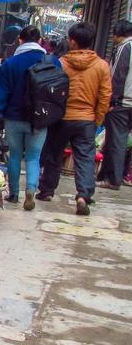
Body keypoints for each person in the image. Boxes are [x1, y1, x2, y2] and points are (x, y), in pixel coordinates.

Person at [37, 22, 113, 216]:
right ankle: (83, 195)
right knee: (85, 158)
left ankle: (46, 191)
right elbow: (105, 96)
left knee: (53, 154)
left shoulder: (60, 63)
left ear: (72, 41)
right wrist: (97, 119)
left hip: (61, 118)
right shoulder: (102, 66)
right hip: (86, 119)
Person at [0, 25, 52, 209]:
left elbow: (0, 94)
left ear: (20, 40)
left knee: (14, 155)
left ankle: (13, 194)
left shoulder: (10, 63)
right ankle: (31, 189)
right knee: (33, 157)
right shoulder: (51, 62)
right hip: (40, 119)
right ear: (40, 41)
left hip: (13, 118)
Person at [97, 20, 132, 189]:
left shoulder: (125, 48)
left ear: (118, 34)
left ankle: (113, 179)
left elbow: (117, 75)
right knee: (121, 141)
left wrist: (112, 101)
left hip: (123, 103)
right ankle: (112, 176)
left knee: (116, 141)